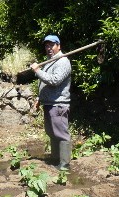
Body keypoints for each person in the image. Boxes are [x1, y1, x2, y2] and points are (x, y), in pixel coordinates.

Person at [31, 34, 72, 170]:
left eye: (51, 45)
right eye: (46, 45)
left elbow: (54, 80)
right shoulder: (50, 61)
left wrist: (37, 71)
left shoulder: (63, 61)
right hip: (49, 103)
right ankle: (56, 158)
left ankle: (64, 163)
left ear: (58, 46)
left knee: (61, 133)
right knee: (52, 132)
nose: (48, 48)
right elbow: (45, 84)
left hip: (58, 104)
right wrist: (39, 99)